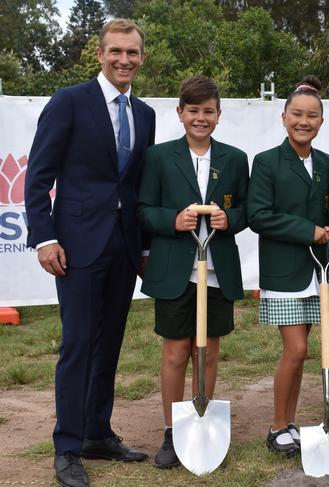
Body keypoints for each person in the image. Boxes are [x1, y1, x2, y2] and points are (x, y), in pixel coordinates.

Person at [24, 19, 156, 487]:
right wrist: (44, 238)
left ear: (142, 58)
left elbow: (137, 186)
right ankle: (67, 446)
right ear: (100, 54)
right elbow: (38, 177)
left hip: (122, 248)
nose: (125, 60)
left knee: (109, 345)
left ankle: (98, 434)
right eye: (116, 51)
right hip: (75, 247)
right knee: (78, 345)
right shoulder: (69, 102)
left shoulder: (145, 115)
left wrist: (142, 247)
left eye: (133, 53)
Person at [137, 75, 249, 467]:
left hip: (217, 270)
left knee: (209, 351)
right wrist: (174, 220)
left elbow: (246, 211)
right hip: (176, 270)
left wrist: (228, 218)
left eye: (208, 111)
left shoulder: (234, 158)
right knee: (175, 352)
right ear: (180, 112)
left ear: (219, 114)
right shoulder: (159, 157)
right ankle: (173, 430)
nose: (201, 118)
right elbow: (144, 209)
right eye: (193, 111)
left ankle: (200, 419)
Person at [247, 76, 329, 457]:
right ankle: (276, 426)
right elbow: (258, 215)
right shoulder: (267, 162)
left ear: (321, 121)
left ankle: (288, 423)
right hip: (285, 272)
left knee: (301, 352)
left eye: (312, 116)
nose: (304, 121)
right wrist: (310, 230)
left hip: (316, 270)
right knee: (298, 349)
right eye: (297, 114)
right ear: (284, 117)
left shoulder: (327, 163)